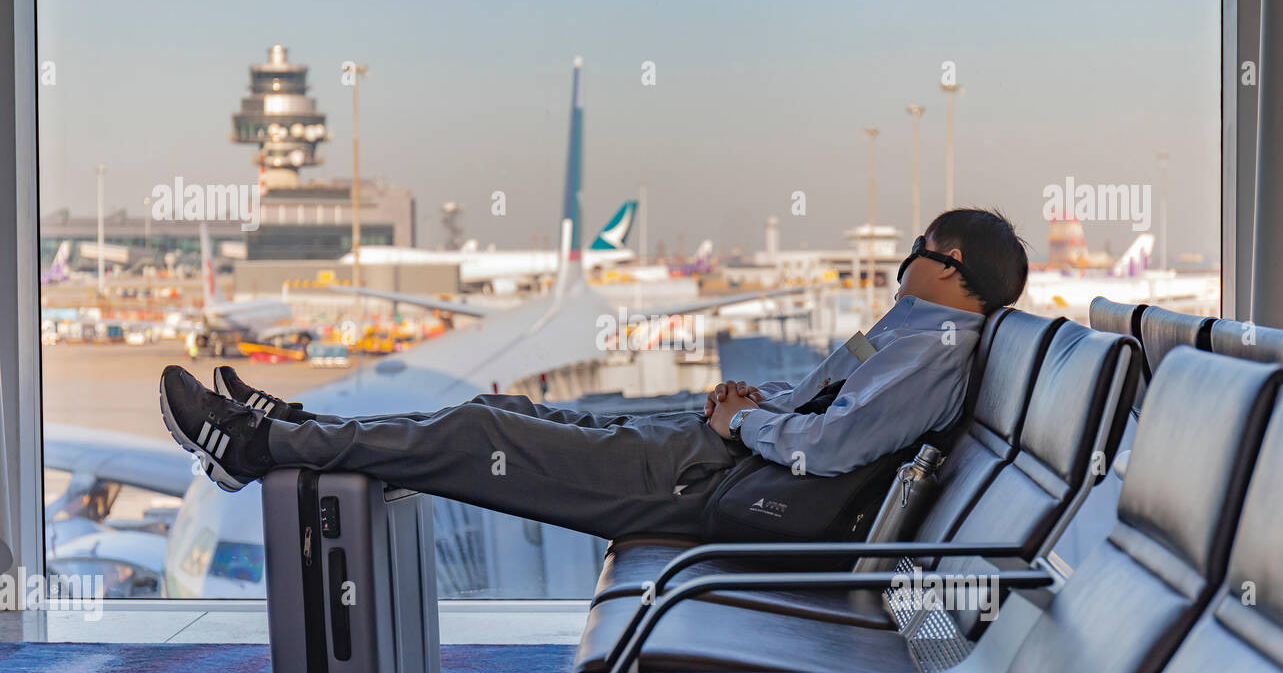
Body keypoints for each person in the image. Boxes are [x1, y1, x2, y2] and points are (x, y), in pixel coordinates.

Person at [159, 209, 1029, 540]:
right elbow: (824, 409)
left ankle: (258, 443)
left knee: (481, 432)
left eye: (920, 247)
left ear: (952, 268)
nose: (906, 256)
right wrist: (752, 406)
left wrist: (745, 426)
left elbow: (835, 448)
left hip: (713, 481)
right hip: (714, 455)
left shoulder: (935, 352)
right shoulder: (915, 333)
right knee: (504, 408)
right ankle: (292, 425)